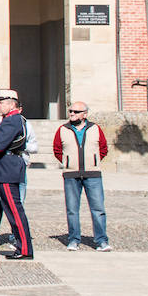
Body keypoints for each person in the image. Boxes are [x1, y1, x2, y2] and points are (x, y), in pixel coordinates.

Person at [53, 101, 110, 251]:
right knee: (72, 209)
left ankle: (101, 240)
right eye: (71, 111)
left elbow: (103, 148)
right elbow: (57, 149)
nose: (72, 114)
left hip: (93, 174)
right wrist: (68, 162)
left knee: (98, 208)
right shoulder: (62, 130)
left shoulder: (95, 129)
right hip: (71, 174)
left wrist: (94, 161)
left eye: (76, 112)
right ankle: (73, 239)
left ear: (84, 115)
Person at [0, 89, 34, 260]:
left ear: (12, 103)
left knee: (14, 210)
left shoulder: (12, 120)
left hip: (6, 169)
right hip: (3, 169)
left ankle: (25, 248)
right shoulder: (11, 119)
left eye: (1, 102)